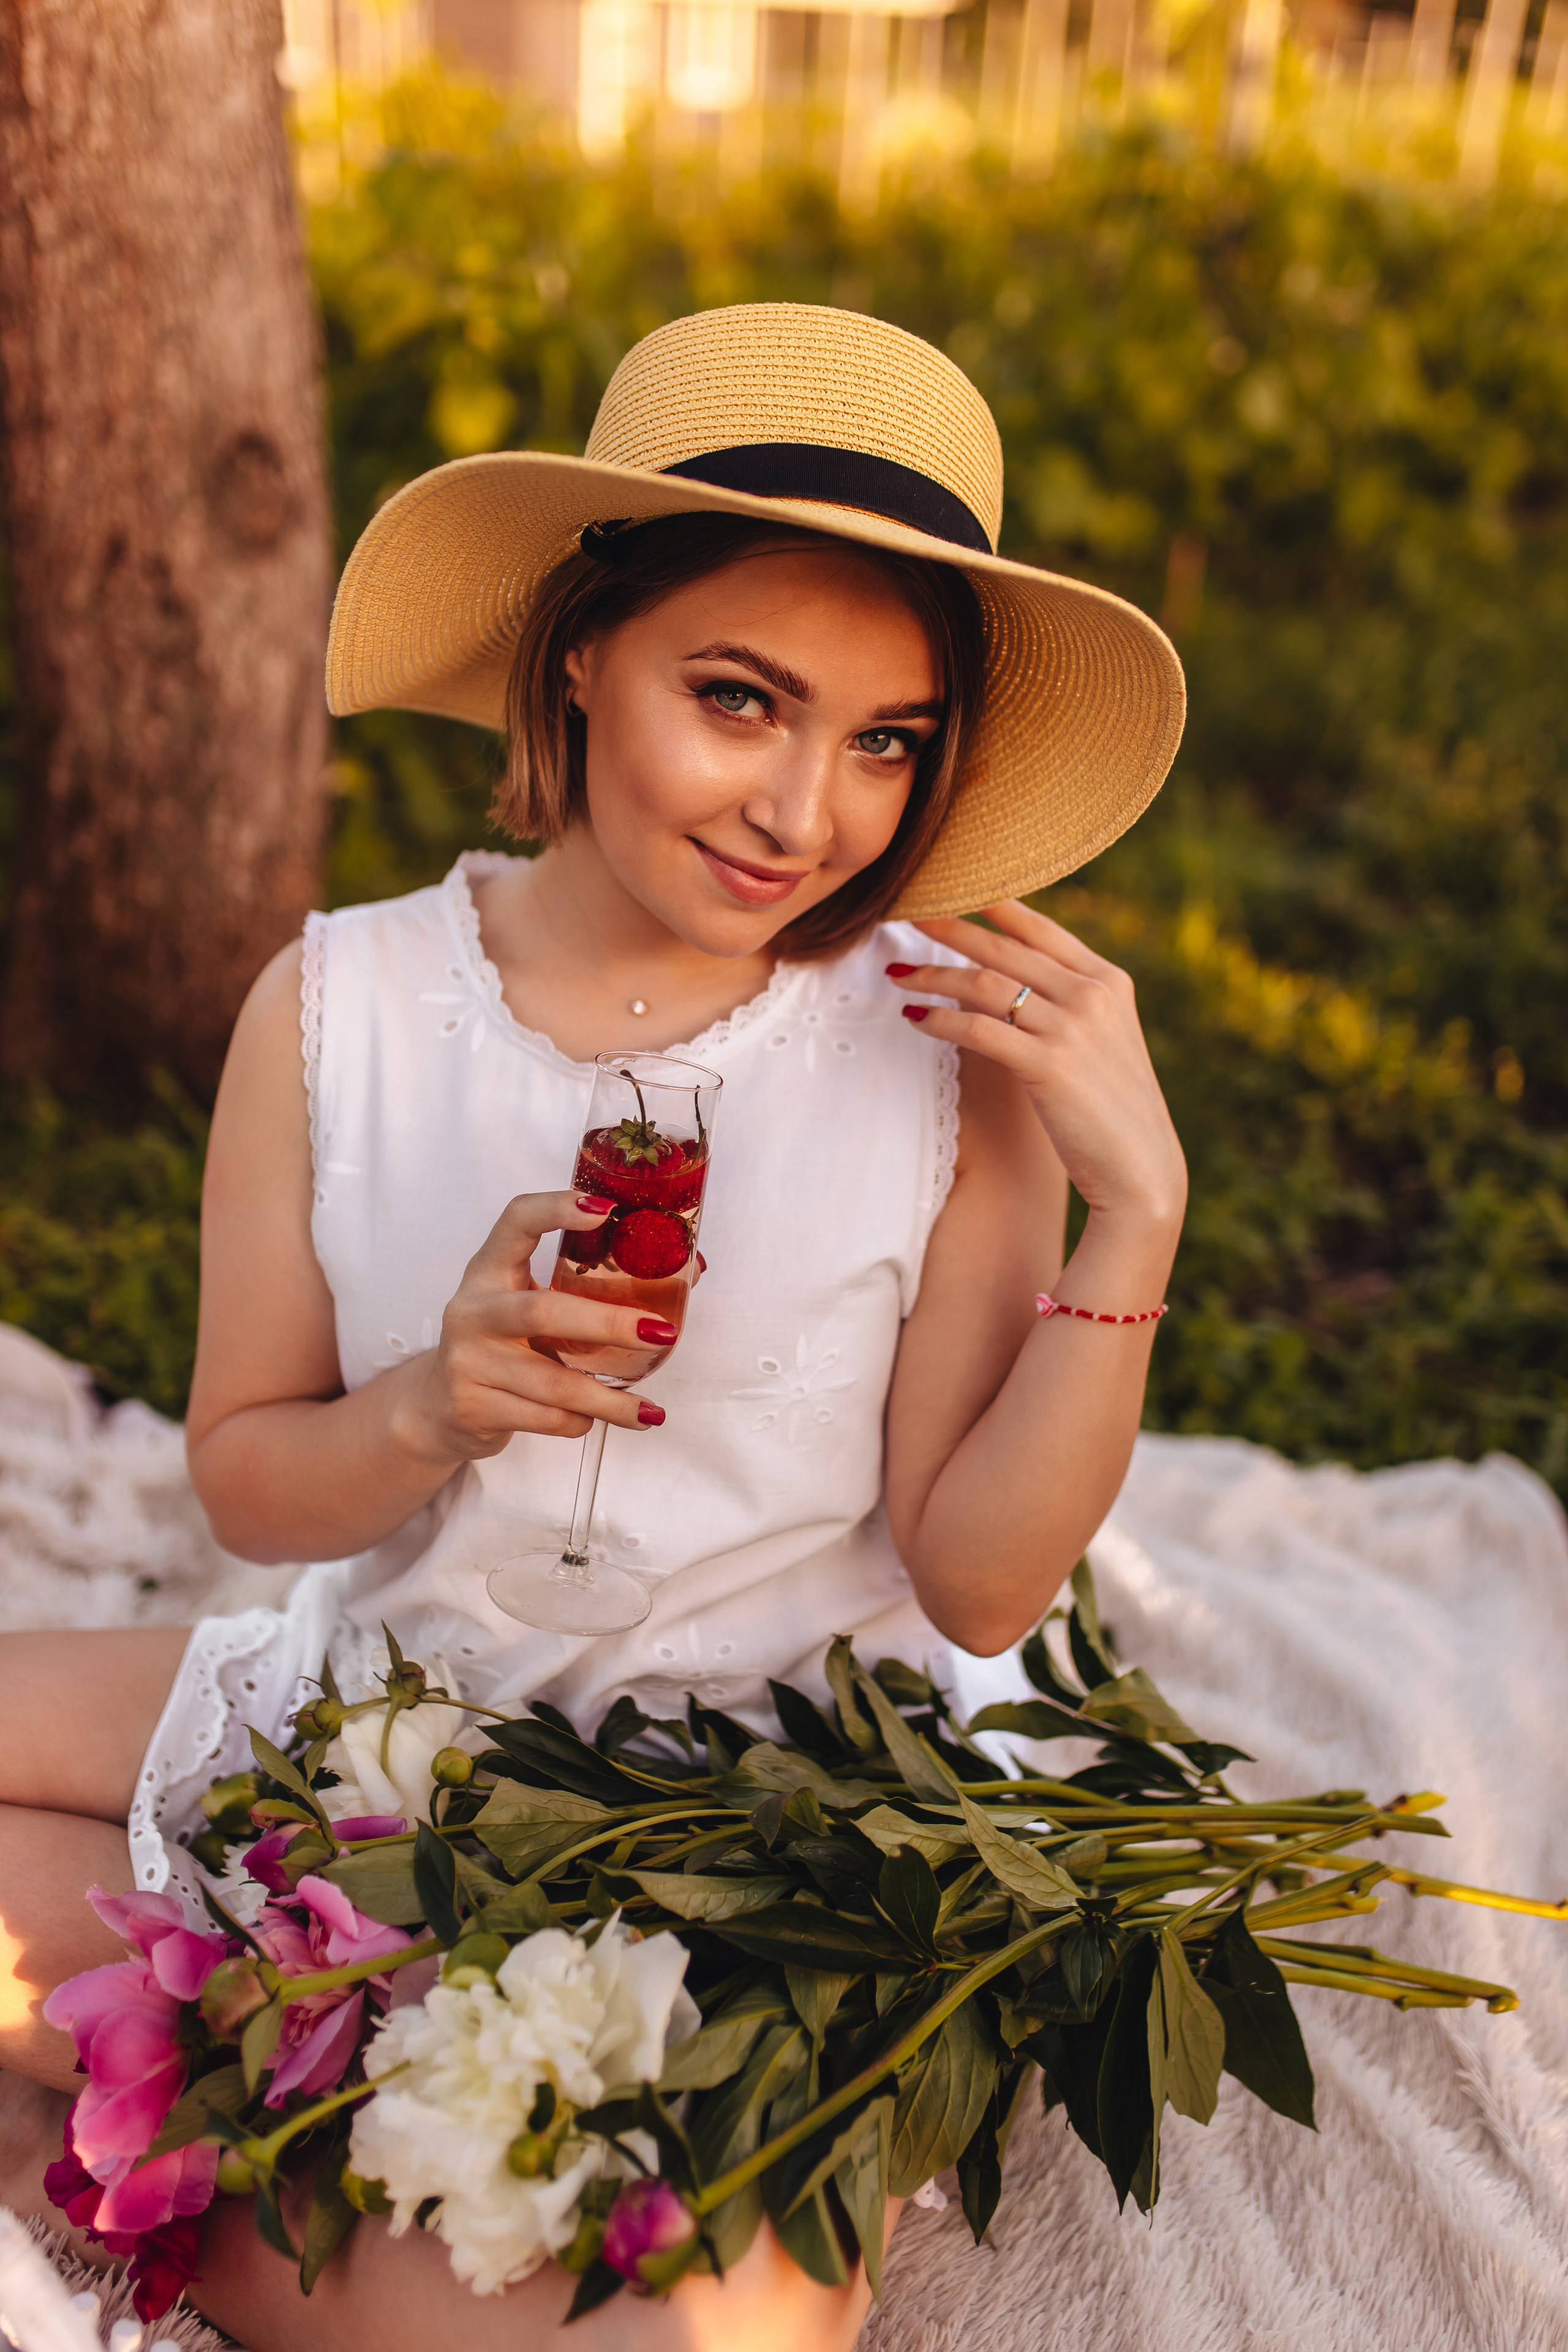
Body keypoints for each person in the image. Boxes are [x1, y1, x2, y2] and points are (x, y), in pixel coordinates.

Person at [0, 302, 1188, 2350]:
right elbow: (250, 1484)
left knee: (709, 2323)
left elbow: (982, 1586)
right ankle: (275, 2069)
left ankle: (214, 2130)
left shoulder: (935, 1053)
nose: (806, 811)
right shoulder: (342, 1009)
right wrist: (424, 1412)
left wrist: (1137, 1210)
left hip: (763, 1822)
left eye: (887, 741)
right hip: (390, 1715)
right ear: (578, 649)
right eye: (738, 700)